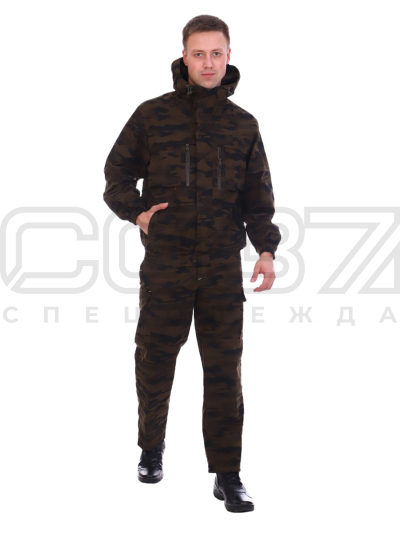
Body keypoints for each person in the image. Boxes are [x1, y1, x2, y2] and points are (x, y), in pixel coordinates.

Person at [103, 14, 281, 513]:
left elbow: (258, 198)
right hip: (167, 266)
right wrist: (138, 213)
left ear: (229, 56)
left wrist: (266, 249)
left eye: (216, 53)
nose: (208, 63)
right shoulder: (152, 115)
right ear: (184, 57)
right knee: (154, 360)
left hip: (222, 268)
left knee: (224, 369)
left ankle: (228, 473)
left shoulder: (244, 125)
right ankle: (151, 447)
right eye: (198, 53)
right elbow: (116, 174)